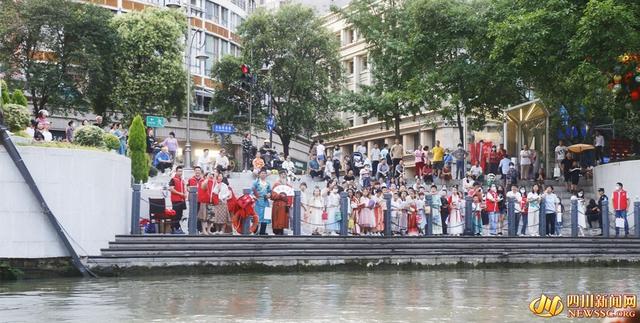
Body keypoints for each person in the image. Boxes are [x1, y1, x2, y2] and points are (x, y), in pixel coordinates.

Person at [271, 171, 293, 235]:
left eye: (284, 174)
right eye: (282, 174)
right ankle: (276, 231)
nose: (283, 175)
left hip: (285, 205)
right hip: (277, 204)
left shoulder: (289, 186)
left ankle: (282, 231)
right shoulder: (276, 185)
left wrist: (289, 203)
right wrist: (280, 196)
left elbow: (291, 196)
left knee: (284, 220)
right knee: (277, 219)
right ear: (279, 176)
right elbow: (272, 195)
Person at [252, 169, 271, 235]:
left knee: (265, 217)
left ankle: (263, 231)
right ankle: (255, 230)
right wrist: (254, 197)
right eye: (262, 173)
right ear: (259, 174)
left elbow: (270, 191)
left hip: (265, 201)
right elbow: (252, 191)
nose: (263, 174)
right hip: (258, 201)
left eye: (264, 173)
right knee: (257, 216)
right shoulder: (256, 182)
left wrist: (269, 195)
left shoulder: (268, 183)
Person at [168, 166, 187, 234]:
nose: (180, 172)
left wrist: (185, 194)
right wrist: (180, 194)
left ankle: (177, 228)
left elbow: (183, 189)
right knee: (175, 215)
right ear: (176, 171)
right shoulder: (173, 179)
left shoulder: (182, 180)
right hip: (176, 200)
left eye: (181, 171)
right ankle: (173, 229)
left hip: (181, 200)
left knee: (179, 215)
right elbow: (171, 189)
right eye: (179, 171)